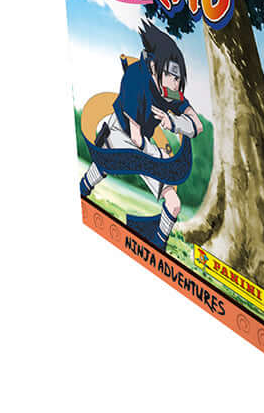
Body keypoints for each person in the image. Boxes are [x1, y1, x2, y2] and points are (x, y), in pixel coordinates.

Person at [79, 20, 203, 249]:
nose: (175, 84)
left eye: (178, 79)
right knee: (107, 162)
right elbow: (135, 138)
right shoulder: (136, 77)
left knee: (174, 203)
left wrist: (174, 123)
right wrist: (159, 157)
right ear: (155, 67)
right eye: (171, 76)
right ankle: (83, 189)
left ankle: (158, 244)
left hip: (140, 141)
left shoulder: (170, 92)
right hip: (119, 131)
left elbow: (197, 125)